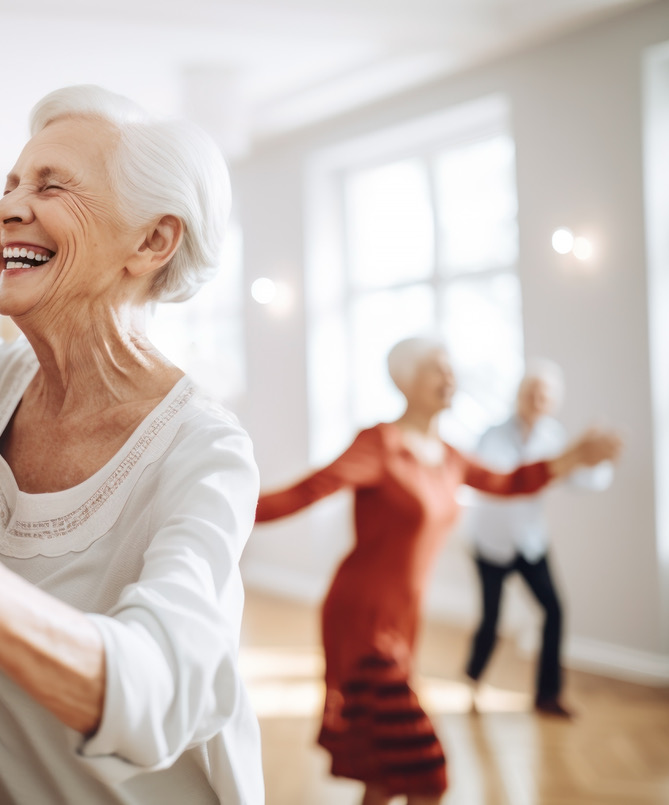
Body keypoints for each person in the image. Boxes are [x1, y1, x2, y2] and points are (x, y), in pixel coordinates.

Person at [0, 84, 264, 803]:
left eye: (52, 185)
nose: (9, 207)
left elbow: (162, 687)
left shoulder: (205, 450)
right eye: (12, 183)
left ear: (152, 240)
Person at [253, 337, 620, 805]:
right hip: (362, 620)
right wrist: (228, 504)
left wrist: (572, 458)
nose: (451, 378)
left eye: (452, 369)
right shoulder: (380, 444)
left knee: (384, 772)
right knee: (427, 772)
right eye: (436, 368)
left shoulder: (449, 455)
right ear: (405, 380)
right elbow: (307, 491)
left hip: (404, 622)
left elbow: (507, 482)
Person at [464, 359, 613, 719]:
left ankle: (547, 695)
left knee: (555, 611)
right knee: (491, 620)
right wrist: (566, 459)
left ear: (554, 401)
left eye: (543, 394)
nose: (536, 399)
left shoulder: (555, 438)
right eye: (530, 391)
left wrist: (592, 460)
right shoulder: (492, 435)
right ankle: (471, 682)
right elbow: (502, 482)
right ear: (518, 395)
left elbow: (583, 482)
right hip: (491, 543)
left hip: (530, 543)